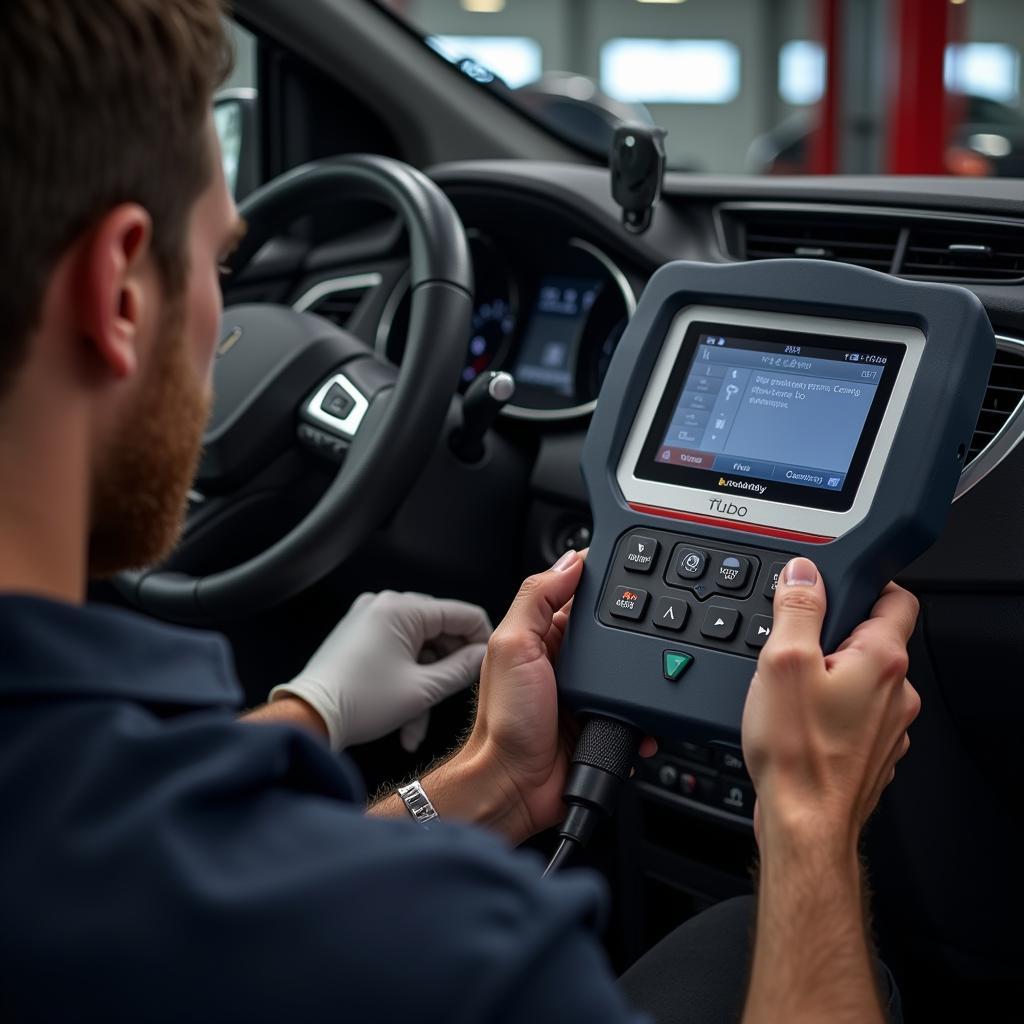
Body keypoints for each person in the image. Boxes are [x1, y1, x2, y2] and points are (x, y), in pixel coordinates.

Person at [0, 3, 920, 1022]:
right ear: (119, 292)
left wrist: (476, 776)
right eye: (219, 266)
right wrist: (806, 817)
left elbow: (191, 880)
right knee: (750, 935)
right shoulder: (464, 956)